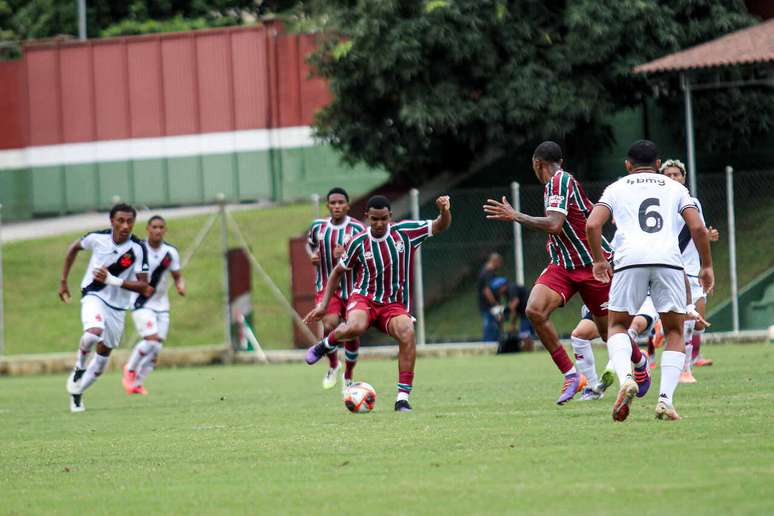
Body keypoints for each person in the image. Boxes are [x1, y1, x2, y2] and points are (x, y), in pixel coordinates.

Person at [484, 141, 646, 405]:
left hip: (592, 264)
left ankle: (639, 363)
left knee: (609, 334)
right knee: (534, 310)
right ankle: (573, 375)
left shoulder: (559, 182)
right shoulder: (562, 183)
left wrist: (516, 215)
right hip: (563, 264)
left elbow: (555, 224)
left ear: (538, 164)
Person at [586, 139, 714, 421]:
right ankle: (666, 400)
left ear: (627, 165)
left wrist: (598, 260)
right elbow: (698, 227)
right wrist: (706, 266)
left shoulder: (617, 188)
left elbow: (593, 224)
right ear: (658, 165)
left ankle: (626, 380)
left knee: (618, 325)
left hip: (629, 260)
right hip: (668, 261)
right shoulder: (676, 188)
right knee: (675, 332)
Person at [304, 194, 452, 412]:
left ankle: (402, 399)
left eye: (383, 218)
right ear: (367, 217)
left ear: (390, 216)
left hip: (393, 304)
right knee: (356, 326)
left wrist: (444, 211)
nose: (379, 223)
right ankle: (326, 344)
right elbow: (336, 272)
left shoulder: (405, 232)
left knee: (407, 332)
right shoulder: (359, 241)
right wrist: (324, 305)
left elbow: (440, 226)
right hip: (364, 297)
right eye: (374, 219)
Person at [59, 204, 152, 413]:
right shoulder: (96, 238)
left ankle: (77, 393)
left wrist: (113, 280)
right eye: (121, 221)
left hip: (118, 307)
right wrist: (63, 281)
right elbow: (73, 248)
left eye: (130, 221)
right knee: (93, 333)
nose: (125, 226)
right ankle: (80, 367)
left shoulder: (138, 249)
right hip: (93, 295)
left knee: (101, 364)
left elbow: (144, 285)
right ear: (112, 221)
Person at [659, 159, 720, 381]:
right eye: (669, 175)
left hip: (693, 268)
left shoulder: (692, 202)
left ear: (684, 178)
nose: (673, 178)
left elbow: (698, 230)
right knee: (683, 319)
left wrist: (708, 236)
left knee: (698, 322)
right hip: (671, 268)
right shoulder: (659, 204)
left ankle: (687, 356)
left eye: (677, 175)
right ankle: (684, 368)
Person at [305, 187, 367, 391]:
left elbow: (367, 256)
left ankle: (348, 375)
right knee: (330, 324)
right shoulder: (318, 227)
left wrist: (348, 254)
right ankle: (333, 365)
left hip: (352, 288)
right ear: (328, 206)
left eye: (341, 203)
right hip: (326, 286)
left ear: (348, 205)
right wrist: (313, 254)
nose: (337, 206)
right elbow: (310, 245)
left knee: (350, 331)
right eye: (333, 203)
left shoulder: (358, 229)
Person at [122, 215, 185, 395]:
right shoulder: (138, 250)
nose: (158, 230)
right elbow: (122, 268)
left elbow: (177, 275)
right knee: (151, 339)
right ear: (148, 229)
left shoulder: (170, 253)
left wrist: (180, 285)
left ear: (165, 230)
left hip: (162, 304)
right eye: (154, 227)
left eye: (161, 227)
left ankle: (137, 383)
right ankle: (130, 369)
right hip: (141, 302)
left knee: (156, 348)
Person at [571, 297, 659, 400]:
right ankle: (592, 388)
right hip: (614, 294)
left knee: (632, 328)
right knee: (579, 335)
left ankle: (615, 368)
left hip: (646, 296)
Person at [477, 253, 504, 342]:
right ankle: (488, 344)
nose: (500, 265)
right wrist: (494, 303)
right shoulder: (486, 273)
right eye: (499, 263)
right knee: (490, 324)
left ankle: (495, 342)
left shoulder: (490, 272)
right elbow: (486, 290)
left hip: (492, 304)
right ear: (495, 261)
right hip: (488, 304)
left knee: (495, 323)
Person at [506, 282, 535, 352]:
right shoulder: (512, 290)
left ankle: (528, 351)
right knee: (528, 335)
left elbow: (515, 302)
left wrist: (512, 324)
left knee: (525, 335)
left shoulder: (511, 289)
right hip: (530, 312)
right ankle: (529, 350)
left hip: (527, 313)